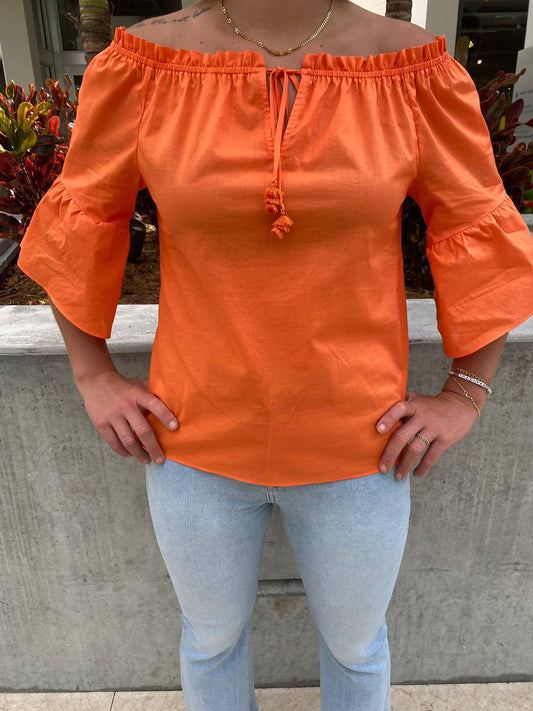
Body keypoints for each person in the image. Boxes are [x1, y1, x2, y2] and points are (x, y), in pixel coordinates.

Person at [17, 1, 533, 709]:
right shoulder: (143, 67)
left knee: (356, 648)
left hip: (361, 446)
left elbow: (477, 227)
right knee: (210, 640)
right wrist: (92, 375)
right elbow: (80, 222)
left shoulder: (410, 70)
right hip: (190, 441)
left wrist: (466, 392)